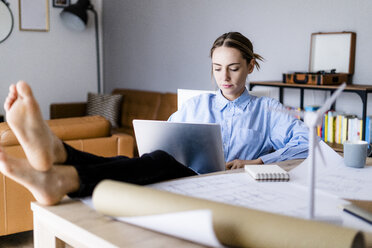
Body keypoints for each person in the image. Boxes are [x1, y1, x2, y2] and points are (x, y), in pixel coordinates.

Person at [0, 32, 309, 206]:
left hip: (227, 188)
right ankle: (59, 163)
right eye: (217, 68)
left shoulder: (267, 110)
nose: (224, 77)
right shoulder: (197, 104)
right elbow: (161, 136)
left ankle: (62, 158)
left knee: (156, 162)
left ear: (250, 66)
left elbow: (307, 143)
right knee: (153, 158)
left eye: (233, 68)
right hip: (185, 177)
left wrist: (259, 162)